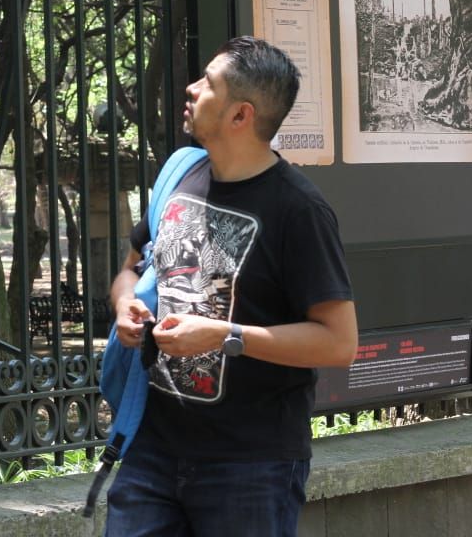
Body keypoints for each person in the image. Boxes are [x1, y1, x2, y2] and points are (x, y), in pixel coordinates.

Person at [105, 37, 357, 537]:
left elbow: (338, 342)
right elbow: (130, 269)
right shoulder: (180, 174)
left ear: (241, 115)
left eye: (208, 83)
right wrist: (124, 303)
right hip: (151, 452)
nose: (192, 88)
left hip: (250, 467)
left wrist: (224, 335)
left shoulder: (299, 210)